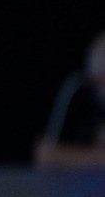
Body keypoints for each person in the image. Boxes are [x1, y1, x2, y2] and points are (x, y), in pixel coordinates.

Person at [34, 31, 105, 169]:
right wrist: (97, 157)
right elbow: (44, 154)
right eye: (98, 81)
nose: (100, 88)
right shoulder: (81, 98)